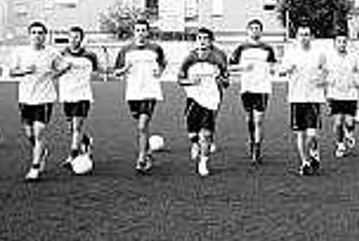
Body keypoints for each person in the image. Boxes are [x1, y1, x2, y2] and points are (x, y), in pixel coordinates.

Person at [10, 21, 70, 182]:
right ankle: (41, 151)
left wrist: (54, 75)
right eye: (34, 32)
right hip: (25, 98)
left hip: (44, 98)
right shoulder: (20, 52)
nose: (37, 35)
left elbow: (65, 66)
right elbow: (12, 72)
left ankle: (35, 167)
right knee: (29, 133)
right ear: (29, 35)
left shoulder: (52, 53)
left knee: (39, 132)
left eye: (40, 33)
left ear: (45, 36)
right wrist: (24, 71)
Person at [113, 20, 167, 174]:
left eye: (143, 30)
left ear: (148, 32)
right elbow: (116, 72)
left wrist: (160, 71)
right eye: (138, 30)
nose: (141, 33)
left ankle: (142, 158)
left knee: (142, 126)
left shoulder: (156, 48)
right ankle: (148, 150)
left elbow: (164, 63)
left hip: (150, 91)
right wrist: (125, 69)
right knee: (141, 125)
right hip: (133, 93)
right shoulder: (126, 50)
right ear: (134, 32)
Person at [178, 27, 229, 177]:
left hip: (211, 100)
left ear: (211, 41)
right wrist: (190, 81)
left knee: (206, 134)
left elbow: (226, 81)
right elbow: (180, 80)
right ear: (196, 41)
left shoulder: (218, 59)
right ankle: (194, 143)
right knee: (193, 132)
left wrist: (221, 79)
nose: (202, 41)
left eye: (206, 38)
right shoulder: (189, 58)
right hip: (193, 99)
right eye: (199, 38)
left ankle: (203, 162)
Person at [279, 25, 327, 175]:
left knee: (312, 134)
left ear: (311, 37)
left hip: (313, 98)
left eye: (307, 34)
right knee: (300, 133)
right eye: (301, 35)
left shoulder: (318, 53)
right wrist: (288, 69)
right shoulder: (291, 54)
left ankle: (314, 152)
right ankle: (305, 162)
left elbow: (326, 70)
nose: (304, 37)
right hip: (296, 98)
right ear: (297, 37)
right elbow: (280, 71)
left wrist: (323, 80)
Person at [229, 19, 277, 165]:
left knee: (258, 120)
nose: (255, 30)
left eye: (257, 28)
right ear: (248, 31)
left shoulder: (267, 48)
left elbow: (273, 65)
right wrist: (243, 67)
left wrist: (274, 69)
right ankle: (251, 140)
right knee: (249, 119)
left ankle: (257, 151)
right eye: (252, 28)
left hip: (262, 88)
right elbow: (230, 67)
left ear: (261, 31)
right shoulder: (241, 48)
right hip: (246, 88)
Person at [57, 26, 100, 170]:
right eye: (71, 37)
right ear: (68, 38)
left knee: (76, 127)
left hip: (83, 95)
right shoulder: (61, 54)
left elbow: (97, 71)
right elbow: (55, 73)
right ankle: (86, 141)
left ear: (81, 39)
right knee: (71, 128)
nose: (74, 40)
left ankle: (72, 156)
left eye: (77, 37)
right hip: (66, 95)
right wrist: (64, 69)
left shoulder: (90, 55)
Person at [326, 32, 359, 158]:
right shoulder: (329, 58)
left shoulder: (353, 57)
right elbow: (323, 73)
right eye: (339, 41)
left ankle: (349, 133)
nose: (342, 44)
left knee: (350, 122)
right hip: (335, 94)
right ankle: (340, 145)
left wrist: (358, 80)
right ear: (335, 43)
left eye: (344, 41)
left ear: (347, 43)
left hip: (350, 94)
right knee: (338, 122)